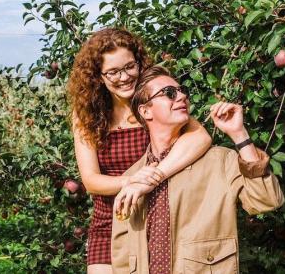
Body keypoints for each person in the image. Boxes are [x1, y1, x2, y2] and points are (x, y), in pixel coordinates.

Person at [111, 66, 285, 274]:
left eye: (182, 90)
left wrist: (239, 134)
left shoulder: (220, 160)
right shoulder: (132, 178)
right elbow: (121, 254)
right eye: (169, 93)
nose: (182, 96)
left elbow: (267, 200)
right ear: (145, 110)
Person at [67, 28, 212, 274]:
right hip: (110, 221)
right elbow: (91, 181)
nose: (123, 77)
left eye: (129, 67)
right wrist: (134, 180)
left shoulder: (157, 104)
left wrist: (155, 176)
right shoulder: (87, 116)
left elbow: (200, 137)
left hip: (157, 218)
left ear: (140, 64)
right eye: (112, 72)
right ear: (98, 76)